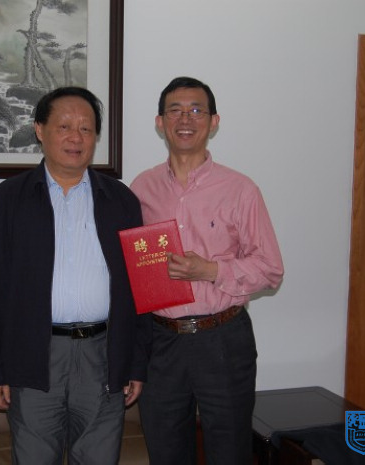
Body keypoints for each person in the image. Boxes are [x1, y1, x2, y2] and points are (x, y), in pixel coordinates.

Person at [0, 86, 152, 465]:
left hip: (104, 354)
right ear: (40, 129)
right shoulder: (7, 200)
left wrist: (136, 363)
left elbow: (140, 290)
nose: (76, 138)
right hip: (34, 355)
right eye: (64, 126)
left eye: (86, 129)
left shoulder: (122, 201)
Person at [130, 76, 284, 465]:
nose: (186, 119)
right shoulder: (142, 188)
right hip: (161, 342)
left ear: (214, 122)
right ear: (160, 122)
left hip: (222, 339)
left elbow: (270, 270)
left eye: (196, 110)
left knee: (229, 452)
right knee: (166, 452)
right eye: (175, 110)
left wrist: (210, 269)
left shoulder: (240, 189)